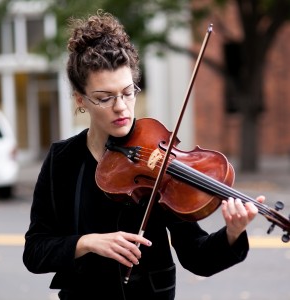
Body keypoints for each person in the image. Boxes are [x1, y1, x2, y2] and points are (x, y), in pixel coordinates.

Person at [23, 10, 265, 300]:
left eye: (128, 92)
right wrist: (86, 243)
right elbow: (35, 251)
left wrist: (232, 234)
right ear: (80, 99)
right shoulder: (62, 160)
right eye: (105, 98)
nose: (122, 107)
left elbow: (196, 255)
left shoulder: (157, 154)